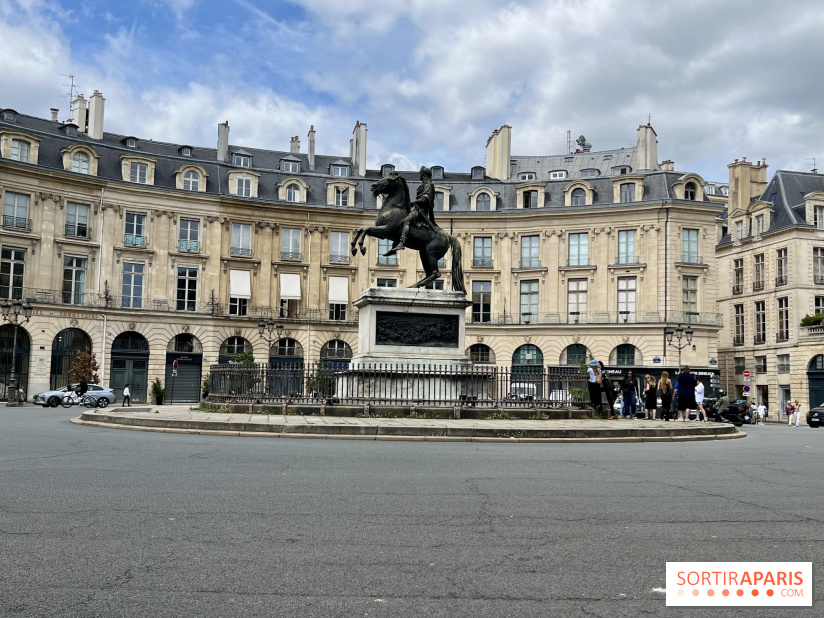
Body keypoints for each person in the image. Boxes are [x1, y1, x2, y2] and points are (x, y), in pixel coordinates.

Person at [384, 166, 436, 256]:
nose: (420, 176)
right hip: (417, 208)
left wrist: (413, 202)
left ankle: (402, 243)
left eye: (421, 174)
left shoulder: (428, 185)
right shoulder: (423, 186)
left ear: (424, 175)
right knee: (400, 222)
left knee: (406, 220)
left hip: (421, 211)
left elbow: (425, 199)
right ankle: (394, 245)